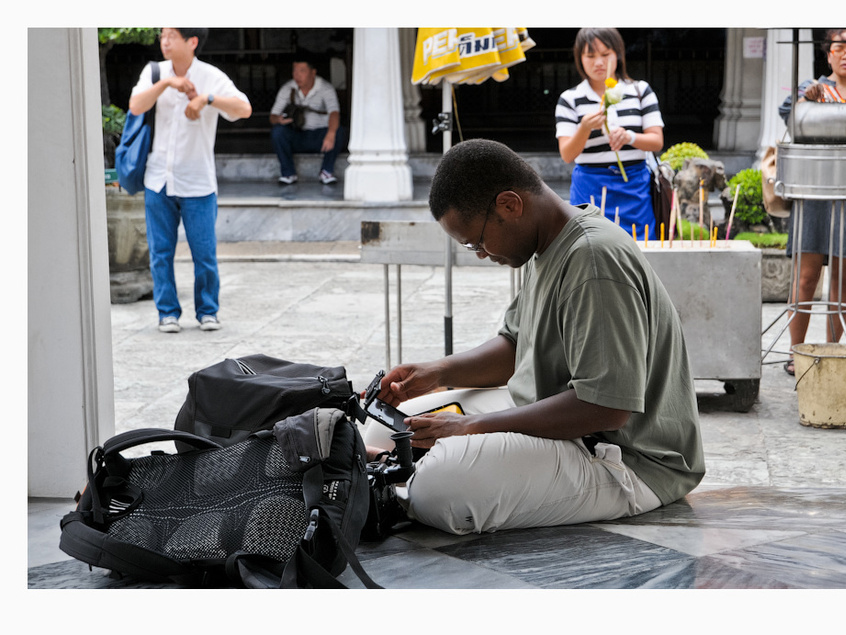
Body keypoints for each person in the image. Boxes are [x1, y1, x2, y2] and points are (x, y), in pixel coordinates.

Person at [364, 139, 705, 536]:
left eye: (477, 241)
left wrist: (473, 428)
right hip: (557, 414)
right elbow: (515, 346)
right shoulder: (547, 244)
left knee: (439, 487)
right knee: (387, 431)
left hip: (629, 457)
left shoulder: (594, 259)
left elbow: (606, 408)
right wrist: (438, 372)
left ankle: (408, 483)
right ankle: (404, 477)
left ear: (510, 205)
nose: (480, 254)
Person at [129, 28, 251, 334]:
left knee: (204, 253)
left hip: (198, 182)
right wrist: (167, 82)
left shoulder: (211, 76)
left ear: (192, 41)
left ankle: (207, 311)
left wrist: (207, 100)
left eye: (171, 35)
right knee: (160, 253)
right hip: (159, 179)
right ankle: (167, 312)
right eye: (162, 35)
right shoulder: (154, 71)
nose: (164, 41)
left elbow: (244, 108)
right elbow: (136, 105)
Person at [777, 28, 846, 375]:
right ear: (828, 54)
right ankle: (795, 352)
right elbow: (787, 113)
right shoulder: (811, 89)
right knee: (805, 278)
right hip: (813, 193)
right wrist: (807, 101)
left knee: (843, 281)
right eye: (839, 48)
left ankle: (832, 349)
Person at [556, 28, 664, 237]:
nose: (599, 63)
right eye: (590, 56)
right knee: (590, 249)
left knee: (639, 248)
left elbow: (657, 141)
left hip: (634, 188)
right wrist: (585, 128)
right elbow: (567, 154)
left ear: (618, 55)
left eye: (605, 55)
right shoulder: (570, 99)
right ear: (580, 58)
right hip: (590, 189)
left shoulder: (640, 91)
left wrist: (629, 137)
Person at [269, 57, 346, 185]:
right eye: (294, 71)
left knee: (338, 131)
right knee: (278, 132)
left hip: (321, 138)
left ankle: (326, 171)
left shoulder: (325, 88)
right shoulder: (288, 88)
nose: (297, 75)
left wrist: (331, 134)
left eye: (302, 71)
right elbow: (272, 116)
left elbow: (334, 112)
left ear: (313, 72)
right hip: (297, 136)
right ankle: (288, 173)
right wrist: (278, 119)